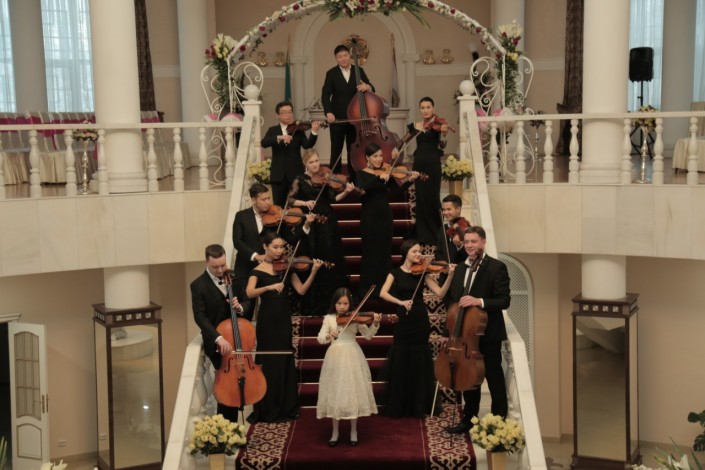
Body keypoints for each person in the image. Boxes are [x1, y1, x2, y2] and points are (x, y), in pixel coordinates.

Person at [245, 231, 323, 423]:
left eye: (282, 247)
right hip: (267, 321)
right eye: (275, 247)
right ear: (265, 247)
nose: (280, 251)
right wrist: (268, 287)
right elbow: (249, 293)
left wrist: (314, 271)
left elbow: (301, 290)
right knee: (268, 361)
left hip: (283, 319)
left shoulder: (287, 267)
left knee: (284, 359)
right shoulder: (257, 270)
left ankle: (286, 406)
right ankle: (268, 406)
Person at [444, 226, 511, 434]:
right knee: (468, 378)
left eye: (474, 241)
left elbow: (504, 300)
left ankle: (498, 422)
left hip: (487, 333)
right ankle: (469, 420)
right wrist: (450, 332)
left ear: (483, 242)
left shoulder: (496, 267)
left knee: (493, 377)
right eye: (467, 242)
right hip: (464, 334)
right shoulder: (460, 269)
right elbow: (452, 302)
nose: (470, 245)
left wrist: (478, 301)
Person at [379, 239, 455, 418]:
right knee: (401, 359)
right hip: (403, 319)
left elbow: (440, 293)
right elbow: (383, 293)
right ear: (406, 253)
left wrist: (450, 275)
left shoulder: (423, 272)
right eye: (415, 251)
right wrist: (400, 302)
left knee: (419, 360)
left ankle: (418, 404)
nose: (419, 254)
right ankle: (400, 405)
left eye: (420, 251)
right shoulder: (395, 273)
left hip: (420, 319)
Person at [232, 183, 314, 320]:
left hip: (272, 270)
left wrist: (306, 225)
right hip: (246, 267)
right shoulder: (241, 216)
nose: (268, 202)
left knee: (272, 306)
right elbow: (237, 241)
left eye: (269, 198)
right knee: (245, 309)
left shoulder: (277, 216)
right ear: (253, 200)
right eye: (263, 199)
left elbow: (292, 239)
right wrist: (256, 256)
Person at [288, 148, 354, 314]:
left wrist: (346, 191)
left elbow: (333, 199)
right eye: (311, 162)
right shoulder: (300, 179)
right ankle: (315, 301)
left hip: (328, 222)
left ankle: (331, 300)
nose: (315, 165)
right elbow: (289, 200)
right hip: (311, 223)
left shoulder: (326, 176)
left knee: (329, 256)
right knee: (313, 256)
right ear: (305, 164)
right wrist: (305, 203)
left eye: (317, 161)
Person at [316, 288, 381, 447]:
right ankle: (335, 432)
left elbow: (368, 336)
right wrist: (328, 335)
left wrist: (375, 323)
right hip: (334, 357)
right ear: (334, 303)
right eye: (339, 303)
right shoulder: (329, 318)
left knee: (352, 392)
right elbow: (320, 338)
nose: (342, 307)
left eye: (345, 303)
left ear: (350, 304)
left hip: (352, 354)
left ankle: (353, 431)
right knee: (335, 392)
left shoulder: (355, 318)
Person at [190, 244, 247, 422]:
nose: (221, 270)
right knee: (227, 386)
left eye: (223, 265)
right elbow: (200, 317)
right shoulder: (198, 285)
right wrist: (218, 338)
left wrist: (240, 307)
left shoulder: (234, 277)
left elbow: (247, 300)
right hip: (217, 344)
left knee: (239, 382)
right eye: (216, 267)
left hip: (237, 338)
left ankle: (235, 426)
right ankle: (227, 427)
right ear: (206, 262)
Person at [355, 143, 418, 298]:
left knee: (384, 253)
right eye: (375, 156)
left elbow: (397, 192)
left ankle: (385, 290)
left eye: (381, 156)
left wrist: (410, 180)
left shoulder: (386, 172)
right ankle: (368, 290)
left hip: (385, 217)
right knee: (370, 253)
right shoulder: (360, 174)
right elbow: (361, 190)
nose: (379, 159)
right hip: (369, 218)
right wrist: (377, 178)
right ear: (367, 158)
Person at [321, 44, 374, 179]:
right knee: (336, 149)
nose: (343, 58)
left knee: (353, 150)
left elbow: (372, 88)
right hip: (337, 118)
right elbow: (325, 95)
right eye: (340, 57)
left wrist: (367, 86)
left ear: (349, 56)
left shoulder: (359, 70)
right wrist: (328, 112)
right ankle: (335, 178)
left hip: (355, 118)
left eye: (345, 55)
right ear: (336, 58)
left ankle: (354, 178)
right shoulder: (331, 73)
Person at [261, 101, 320, 206]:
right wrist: (279, 137)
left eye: (290, 112)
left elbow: (307, 145)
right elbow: (264, 143)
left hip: (295, 174)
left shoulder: (298, 130)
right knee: (278, 205)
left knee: (296, 204)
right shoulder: (273, 130)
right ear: (277, 115)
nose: (288, 115)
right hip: (278, 176)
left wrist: (314, 132)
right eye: (284, 112)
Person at [410, 97, 449, 244]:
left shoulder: (438, 124)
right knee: (421, 198)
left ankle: (436, 234)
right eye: (423, 107)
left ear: (433, 108)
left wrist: (444, 133)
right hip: (419, 165)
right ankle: (422, 235)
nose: (425, 110)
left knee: (433, 197)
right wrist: (395, 149)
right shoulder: (416, 126)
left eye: (428, 107)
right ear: (420, 109)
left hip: (433, 165)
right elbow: (404, 140)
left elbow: (442, 145)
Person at [435, 194, 469, 265]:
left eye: (449, 209)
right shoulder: (443, 229)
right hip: (445, 269)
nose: (445, 213)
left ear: (458, 209)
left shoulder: (467, 229)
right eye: (443, 210)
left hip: (460, 269)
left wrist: (460, 246)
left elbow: (470, 255)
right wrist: (442, 262)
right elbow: (438, 252)